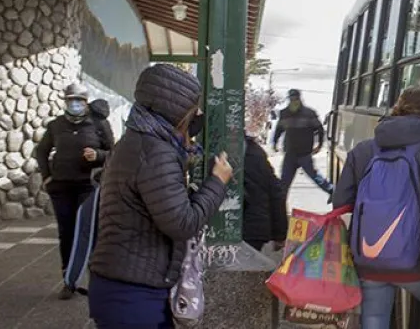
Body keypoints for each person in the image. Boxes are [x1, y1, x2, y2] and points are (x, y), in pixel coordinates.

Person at [88, 64, 233, 328]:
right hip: (132, 294)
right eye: (193, 108)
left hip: (123, 284)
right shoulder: (155, 152)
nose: (197, 115)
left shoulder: (135, 141)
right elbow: (182, 223)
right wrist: (218, 182)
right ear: (176, 111)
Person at [332, 87, 420, 329]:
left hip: (369, 261)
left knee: (374, 320)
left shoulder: (362, 150)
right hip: (417, 261)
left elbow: (341, 202)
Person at [33, 82, 114, 299]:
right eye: (71, 100)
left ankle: (96, 278)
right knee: (66, 232)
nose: (75, 104)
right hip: (60, 186)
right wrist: (47, 176)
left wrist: (97, 155)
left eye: (79, 100)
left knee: (89, 232)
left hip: (88, 186)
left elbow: (113, 152)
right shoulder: (56, 125)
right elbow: (41, 151)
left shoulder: (98, 124)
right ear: (66, 102)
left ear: (86, 102)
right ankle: (68, 280)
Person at [272, 89, 333, 196]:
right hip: (290, 154)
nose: (294, 101)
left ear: (300, 99)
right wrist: (274, 142)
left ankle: (331, 190)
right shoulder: (284, 113)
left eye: (296, 99)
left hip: (304, 154)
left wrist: (319, 145)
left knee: (315, 176)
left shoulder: (309, 114)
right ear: (289, 100)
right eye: (292, 99)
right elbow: (279, 129)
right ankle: (279, 207)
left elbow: (320, 129)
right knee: (284, 184)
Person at [242, 134, 287, 252]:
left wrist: (280, 234)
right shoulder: (254, 152)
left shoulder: (252, 153)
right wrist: (280, 235)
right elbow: (276, 193)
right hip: (254, 230)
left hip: (249, 227)